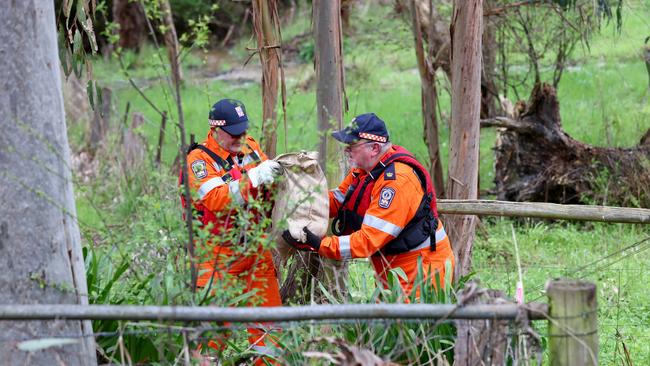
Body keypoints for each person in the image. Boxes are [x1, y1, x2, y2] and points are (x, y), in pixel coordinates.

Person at [282, 113, 454, 298]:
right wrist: (297, 204)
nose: (346, 151)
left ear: (374, 148)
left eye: (352, 146)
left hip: (420, 269)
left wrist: (319, 243)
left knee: (407, 325)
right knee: (386, 323)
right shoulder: (363, 172)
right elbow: (335, 201)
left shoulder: (396, 182)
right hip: (392, 268)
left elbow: (368, 241)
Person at [181, 98, 282, 363]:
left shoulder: (250, 146)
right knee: (212, 333)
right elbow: (217, 200)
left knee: (268, 325)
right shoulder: (199, 160)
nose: (241, 137)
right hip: (218, 255)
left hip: (256, 248)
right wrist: (256, 178)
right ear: (215, 130)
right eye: (234, 132)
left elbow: (267, 188)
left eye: (243, 130)